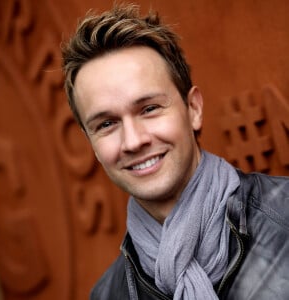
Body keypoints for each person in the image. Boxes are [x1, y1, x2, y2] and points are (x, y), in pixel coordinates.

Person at [61, 4, 289, 300]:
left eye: (150, 109)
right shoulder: (106, 295)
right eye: (106, 124)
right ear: (91, 141)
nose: (133, 141)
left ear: (193, 109)